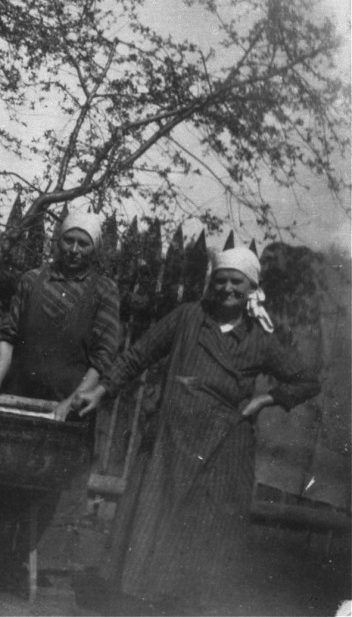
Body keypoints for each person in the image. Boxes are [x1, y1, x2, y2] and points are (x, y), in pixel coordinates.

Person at [72, 247, 320, 614]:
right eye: (220, 280)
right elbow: (138, 354)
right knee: (152, 517)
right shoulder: (188, 316)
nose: (226, 288)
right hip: (170, 438)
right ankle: (135, 599)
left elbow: (305, 381)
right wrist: (101, 390)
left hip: (222, 446)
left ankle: (184, 604)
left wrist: (262, 401)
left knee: (206, 526)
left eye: (236, 281)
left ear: (252, 287)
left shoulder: (260, 338)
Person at [0, 210, 120, 587]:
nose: (74, 249)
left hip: (64, 406)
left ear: (95, 249)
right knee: (4, 478)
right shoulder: (31, 280)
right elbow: (7, 338)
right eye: (68, 240)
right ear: (57, 241)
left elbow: (103, 359)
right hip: (19, 398)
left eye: (83, 243)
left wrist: (68, 403)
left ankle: (24, 564)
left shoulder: (104, 291)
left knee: (49, 487)